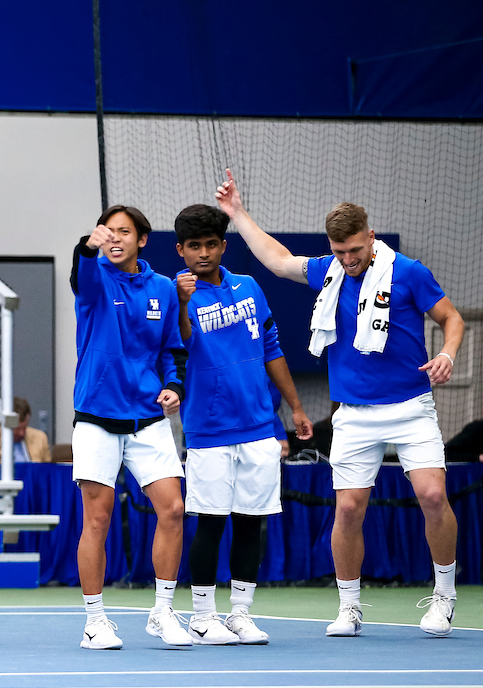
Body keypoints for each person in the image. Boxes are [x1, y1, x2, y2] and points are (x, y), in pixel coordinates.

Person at [216, 169, 464, 638]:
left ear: (370, 238)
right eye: (339, 251)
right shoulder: (329, 272)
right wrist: (238, 213)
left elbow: (451, 318)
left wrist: (447, 352)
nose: (348, 259)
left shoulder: (408, 272)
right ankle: (349, 607)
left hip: (411, 407)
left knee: (433, 496)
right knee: (348, 510)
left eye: (355, 249)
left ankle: (445, 597)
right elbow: (279, 260)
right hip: (353, 414)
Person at [172, 204, 314, 645]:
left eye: (210, 244)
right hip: (209, 430)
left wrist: (295, 408)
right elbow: (179, 344)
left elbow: (272, 347)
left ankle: (240, 614)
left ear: (222, 246)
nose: (203, 253)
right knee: (211, 522)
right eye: (193, 246)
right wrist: (181, 303)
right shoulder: (177, 294)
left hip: (259, 427)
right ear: (180, 250)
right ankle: (201, 616)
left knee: (251, 521)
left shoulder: (250, 287)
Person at [71, 205, 190, 651]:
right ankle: (95, 620)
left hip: (148, 417)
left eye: (125, 232)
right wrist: (88, 247)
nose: (115, 238)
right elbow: (79, 269)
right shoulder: (95, 276)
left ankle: (161, 612)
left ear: (142, 239)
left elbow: (171, 349)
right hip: (97, 418)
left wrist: (173, 386)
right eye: (109, 231)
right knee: (97, 518)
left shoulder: (161, 287)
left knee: (173, 509)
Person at [0, 397, 51, 465]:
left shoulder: (40, 438)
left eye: (24, 428)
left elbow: (46, 472)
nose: (22, 433)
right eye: (17, 429)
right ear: (6, 423)